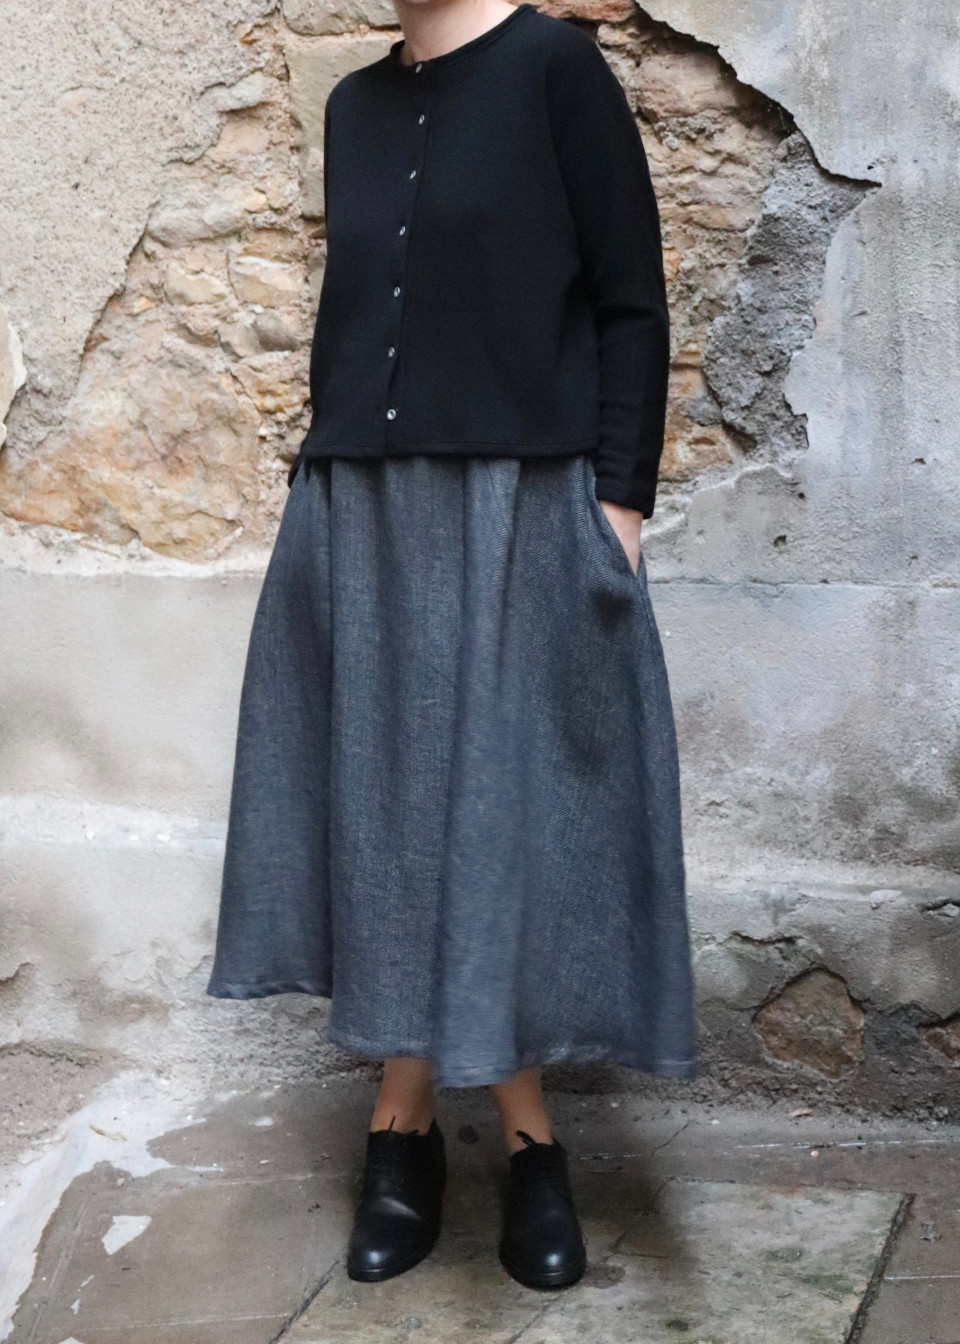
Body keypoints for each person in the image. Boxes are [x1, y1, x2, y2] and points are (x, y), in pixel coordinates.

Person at [206, 0, 696, 1292]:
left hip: (516, 510)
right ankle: (408, 1123)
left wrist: (618, 510)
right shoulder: (353, 109)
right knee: (385, 818)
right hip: (360, 512)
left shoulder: (556, 69)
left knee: (500, 816)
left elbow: (632, 299)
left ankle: (518, 1136)